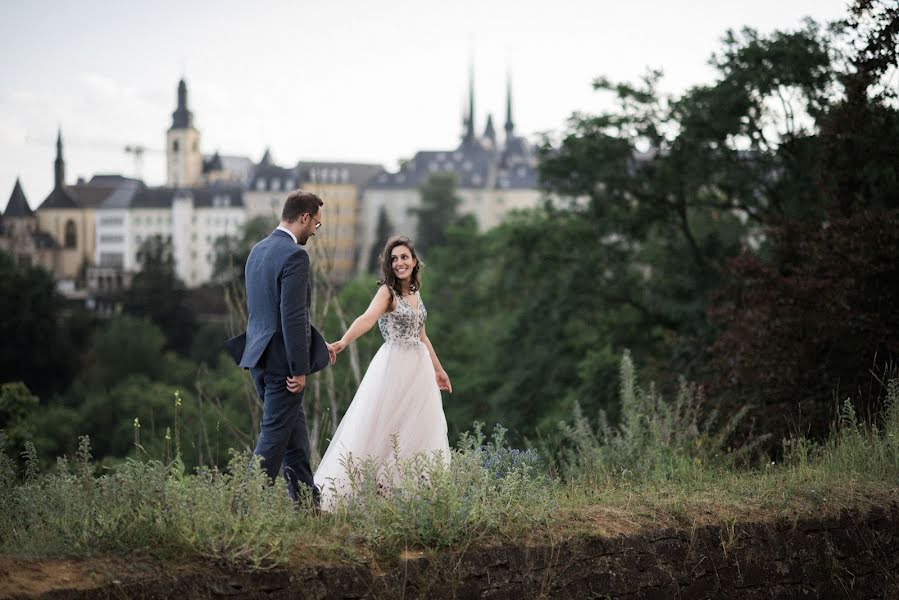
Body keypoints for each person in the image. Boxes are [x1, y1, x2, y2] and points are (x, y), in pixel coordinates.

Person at [315, 235, 452, 510]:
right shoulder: (388, 292)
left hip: (419, 370)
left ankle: (409, 496)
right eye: (394, 258)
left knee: (414, 430)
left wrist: (439, 370)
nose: (400, 262)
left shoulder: (415, 293)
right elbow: (367, 318)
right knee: (383, 427)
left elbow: (422, 335)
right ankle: (364, 495)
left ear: (414, 261)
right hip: (394, 367)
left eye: (404, 257)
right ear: (389, 265)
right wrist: (343, 341)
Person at [237, 189, 325, 504]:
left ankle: (308, 506)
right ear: (304, 217)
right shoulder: (295, 255)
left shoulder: (257, 251)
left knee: (295, 439)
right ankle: (242, 511)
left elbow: (264, 311)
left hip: (257, 358)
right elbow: (292, 316)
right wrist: (299, 368)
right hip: (283, 366)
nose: (316, 230)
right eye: (316, 223)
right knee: (273, 440)